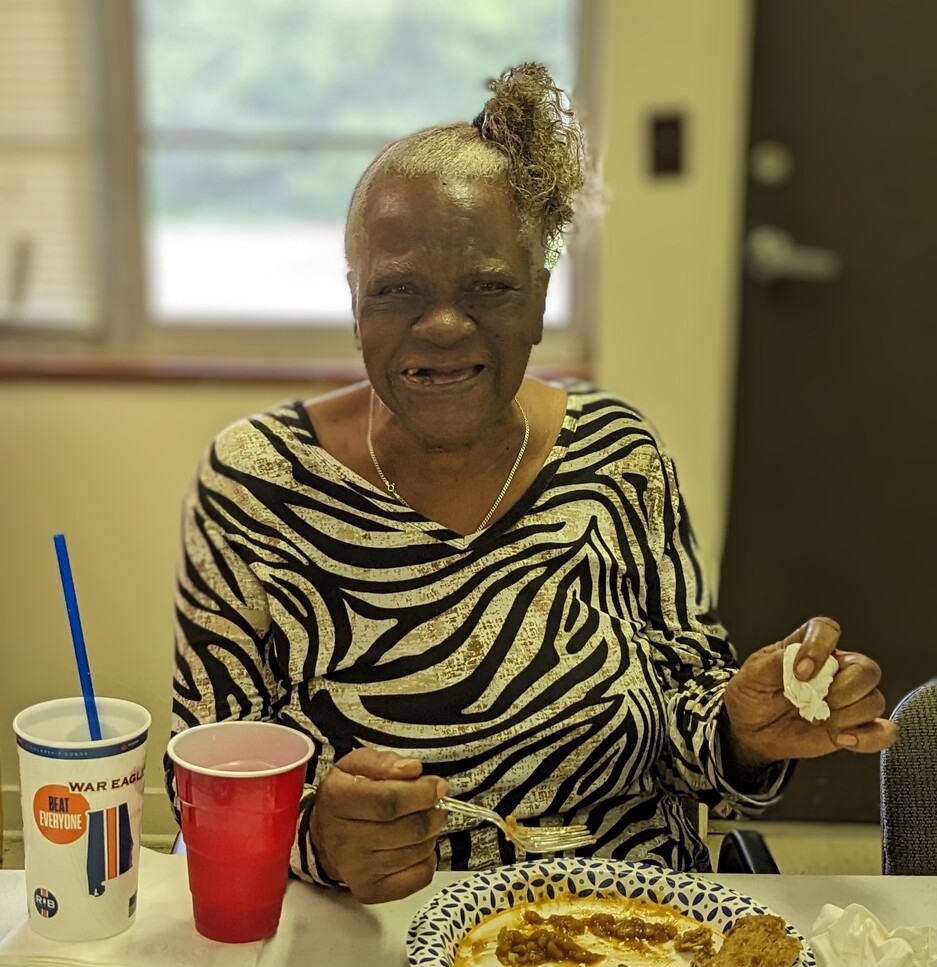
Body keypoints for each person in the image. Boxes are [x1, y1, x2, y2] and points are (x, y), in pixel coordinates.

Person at [164, 63, 896, 904]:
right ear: (354, 303)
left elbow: (696, 744)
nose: (443, 327)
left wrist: (743, 731)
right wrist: (319, 842)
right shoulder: (257, 484)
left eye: (490, 287)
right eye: (398, 290)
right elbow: (206, 786)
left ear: (540, 299)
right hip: (372, 943)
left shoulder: (617, 457)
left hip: (628, 932)